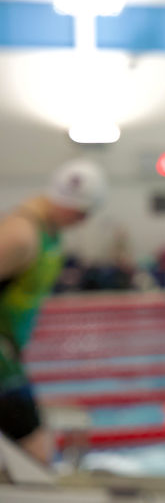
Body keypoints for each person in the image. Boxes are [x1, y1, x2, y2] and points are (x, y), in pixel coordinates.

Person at [0, 158, 107, 463]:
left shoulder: (46, 229)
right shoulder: (21, 234)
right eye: (82, 213)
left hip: (7, 354)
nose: (84, 221)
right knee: (37, 453)